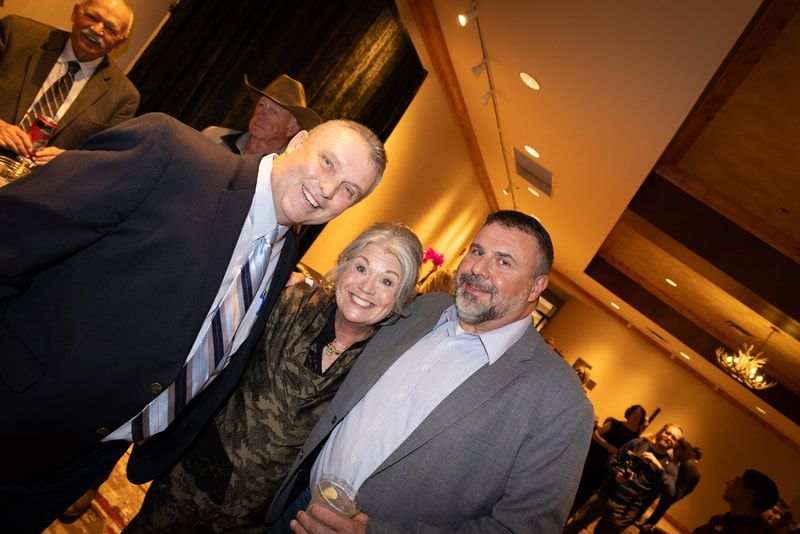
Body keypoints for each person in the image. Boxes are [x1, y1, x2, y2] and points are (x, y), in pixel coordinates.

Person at [0, 112, 385, 532]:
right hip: (19, 411)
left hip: (87, 457)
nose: (328, 189)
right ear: (297, 143)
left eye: (349, 190)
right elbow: (13, 234)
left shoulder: (281, 254)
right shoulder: (171, 154)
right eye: (328, 162)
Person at [267, 210, 594, 533]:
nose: (479, 268)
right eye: (477, 251)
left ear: (536, 287)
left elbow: (520, 529)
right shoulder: (425, 309)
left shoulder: (562, 402)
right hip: (296, 505)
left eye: (503, 261)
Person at [127, 222, 423, 531]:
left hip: (255, 520)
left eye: (386, 281)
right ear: (345, 263)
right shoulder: (289, 301)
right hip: (189, 482)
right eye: (362, 268)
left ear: (400, 298)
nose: (366, 287)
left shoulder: (379, 367)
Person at [0, 0, 139, 165]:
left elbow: (102, 161)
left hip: (36, 184)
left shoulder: (123, 97)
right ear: (75, 12)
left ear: (120, 41)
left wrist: (70, 161)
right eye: (91, 17)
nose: (96, 30)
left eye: (109, 29)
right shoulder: (16, 33)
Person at [565, 423, 683, 534]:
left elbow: (670, 493)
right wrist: (616, 471)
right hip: (606, 494)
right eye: (667, 433)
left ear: (676, 444)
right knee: (575, 524)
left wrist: (659, 468)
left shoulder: (670, 468)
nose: (669, 438)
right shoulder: (637, 444)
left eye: (674, 438)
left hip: (626, 510)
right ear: (661, 431)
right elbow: (613, 458)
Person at [203, 74, 321, 156]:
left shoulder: (284, 176)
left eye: (274, 112)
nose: (261, 115)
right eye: (261, 105)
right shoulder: (212, 137)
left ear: (292, 129)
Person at [571, 404, 647, 513]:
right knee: (576, 483)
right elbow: (595, 434)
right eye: (635, 413)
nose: (636, 416)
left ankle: (572, 513)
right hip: (593, 459)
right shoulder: (614, 423)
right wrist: (608, 446)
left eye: (639, 416)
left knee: (587, 492)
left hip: (607, 468)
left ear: (641, 420)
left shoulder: (636, 439)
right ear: (629, 412)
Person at [692, 469, 778, 534]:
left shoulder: (743, 530)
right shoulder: (721, 519)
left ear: (747, 493)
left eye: (735, 481)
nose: (728, 483)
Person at [641, 440, 702, 530]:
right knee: (661, 510)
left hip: (670, 487)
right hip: (677, 494)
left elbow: (674, 472)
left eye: (690, 453)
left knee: (651, 498)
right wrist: (681, 496)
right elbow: (691, 488)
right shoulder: (698, 473)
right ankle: (649, 525)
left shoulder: (685, 462)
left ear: (694, 454)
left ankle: (643, 519)